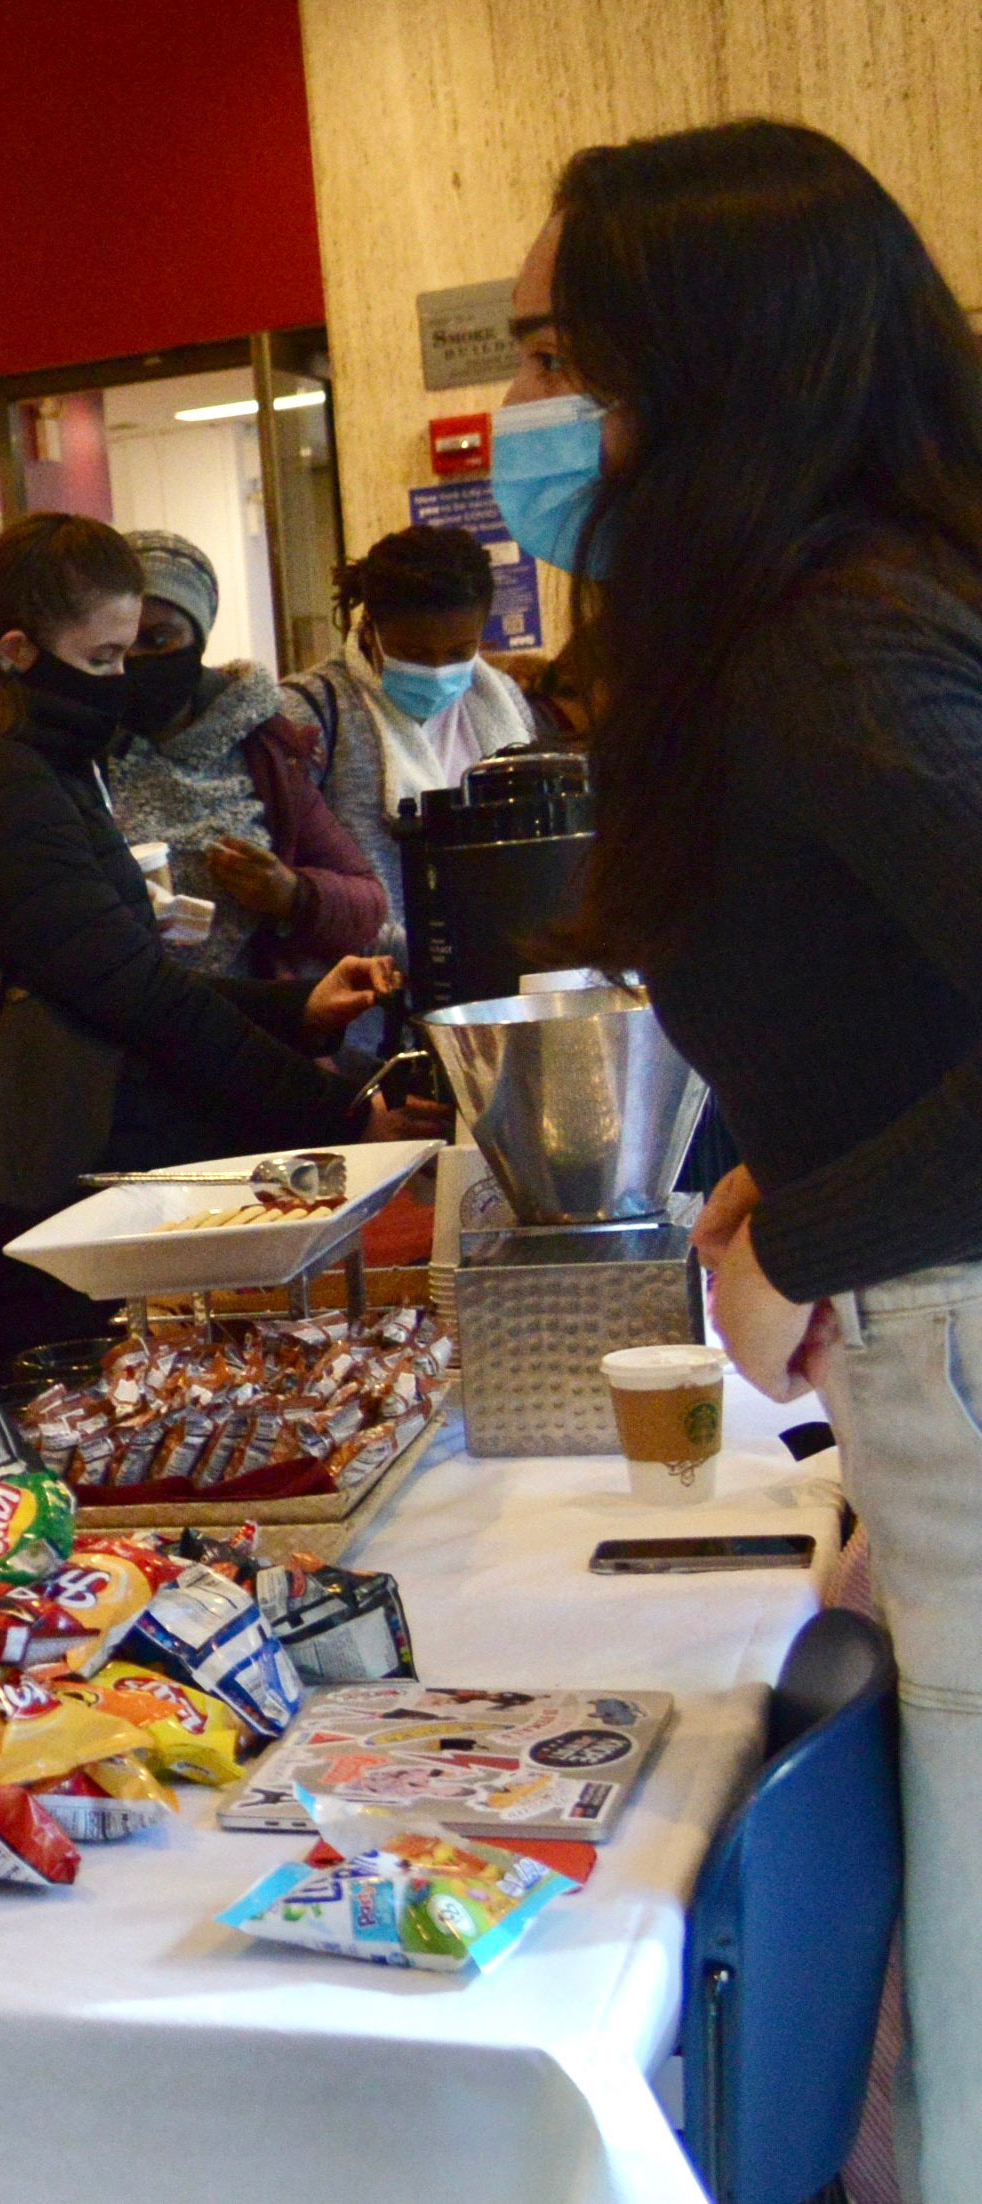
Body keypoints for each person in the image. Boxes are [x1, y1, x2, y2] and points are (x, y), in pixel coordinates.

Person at [490, 121, 982, 2202]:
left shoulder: (825, 637)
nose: (528, 427)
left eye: (565, 369)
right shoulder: (844, 603)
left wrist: (811, 1221)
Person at [0, 513, 437, 1488]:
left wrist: (292, 1011)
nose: (121, 680)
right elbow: (125, 991)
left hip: (30, 1160)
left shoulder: (21, 759)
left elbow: (107, 968)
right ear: (15, 649)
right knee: (41, 1460)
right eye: (104, 655)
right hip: (22, 1175)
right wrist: (333, 1109)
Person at [111, 530, 387, 981]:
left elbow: (366, 901)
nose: (136, 661)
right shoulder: (75, 753)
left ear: (197, 639)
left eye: (159, 640)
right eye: (119, 645)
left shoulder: (260, 751)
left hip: (250, 1018)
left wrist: (291, 894)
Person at [282, 523, 539, 942]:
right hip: (366, 975)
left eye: (460, 652)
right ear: (371, 629)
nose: (438, 670)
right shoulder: (311, 712)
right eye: (414, 653)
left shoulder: (503, 701)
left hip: (492, 955)